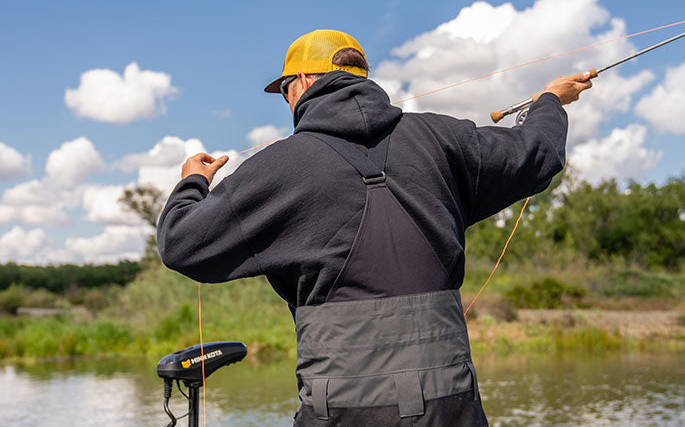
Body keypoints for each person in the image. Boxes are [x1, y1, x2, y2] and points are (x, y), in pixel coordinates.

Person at [157, 29, 592, 426]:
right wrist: (549, 102)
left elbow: (180, 243)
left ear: (305, 82)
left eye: (285, 89)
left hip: (340, 414)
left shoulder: (276, 167)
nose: (287, 100)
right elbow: (537, 151)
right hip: (452, 411)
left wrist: (192, 181)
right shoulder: (443, 139)